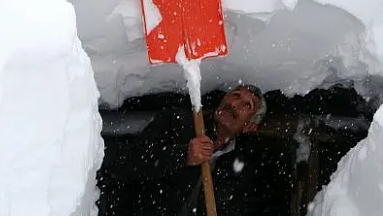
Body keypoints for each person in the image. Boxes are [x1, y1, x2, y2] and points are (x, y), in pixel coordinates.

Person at [103, 84, 292, 216]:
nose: (234, 104)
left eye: (246, 105)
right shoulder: (178, 122)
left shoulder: (241, 168)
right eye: (235, 95)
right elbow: (126, 163)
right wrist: (183, 155)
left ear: (250, 127)